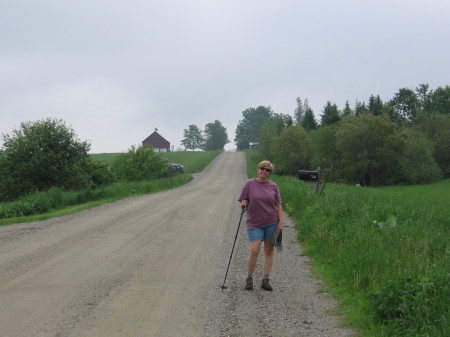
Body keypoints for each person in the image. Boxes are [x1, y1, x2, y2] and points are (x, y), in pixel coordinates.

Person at [238, 160, 283, 291]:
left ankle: (266, 280)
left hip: (271, 222)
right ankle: (249, 278)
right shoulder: (249, 184)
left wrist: (281, 222)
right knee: (254, 250)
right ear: (258, 170)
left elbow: (278, 205)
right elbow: (242, 199)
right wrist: (243, 203)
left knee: (269, 251)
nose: (264, 171)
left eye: (267, 170)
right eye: (262, 168)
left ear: (269, 173)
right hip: (254, 222)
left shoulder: (273, 186)